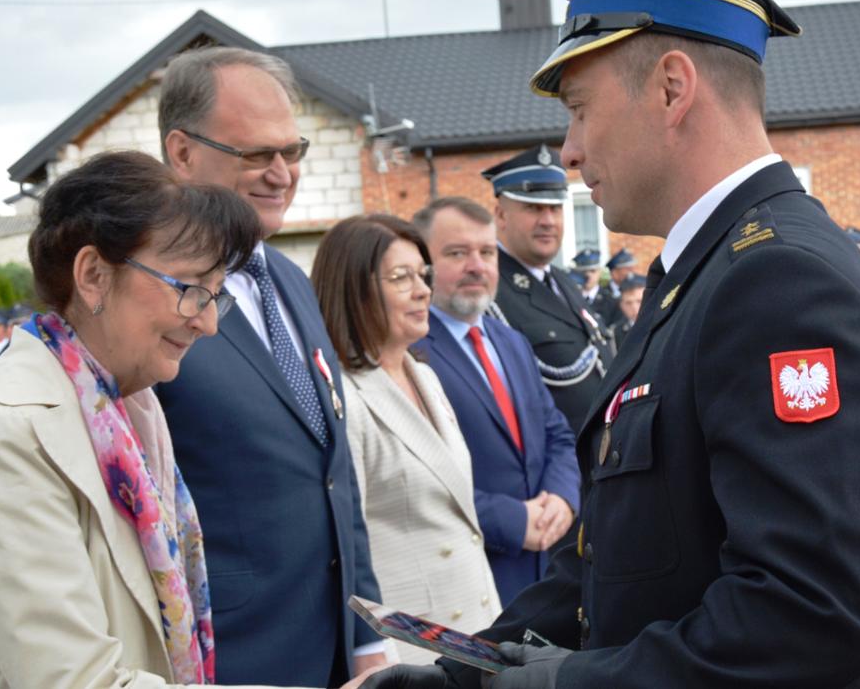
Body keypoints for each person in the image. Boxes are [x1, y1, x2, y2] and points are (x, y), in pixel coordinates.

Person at [367, 0, 860, 689]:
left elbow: (813, 612)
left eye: (580, 108)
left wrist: (567, 685)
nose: (568, 150)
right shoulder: (704, 274)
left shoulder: (780, 282)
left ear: (671, 88)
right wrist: (461, 675)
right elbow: (610, 565)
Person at [0, 149, 363, 687]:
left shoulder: (127, 412)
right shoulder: (11, 439)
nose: (207, 324)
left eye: (215, 297)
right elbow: (78, 680)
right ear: (93, 275)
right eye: (189, 289)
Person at [151, 45, 386, 686]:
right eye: (256, 154)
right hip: (229, 659)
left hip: (334, 651)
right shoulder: (146, 292)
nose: (281, 174)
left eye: (292, 151)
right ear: (181, 152)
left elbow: (334, 473)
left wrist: (367, 632)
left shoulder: (288, 279)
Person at [313, 214, 502, 666]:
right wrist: (376, 654)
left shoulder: (426, 377)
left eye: (423, 274)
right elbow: (346, 545)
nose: (422, 290)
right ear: (353, 289)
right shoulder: (344, 394)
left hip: (475, 625)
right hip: (412, 647)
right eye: (401, 278)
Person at [410, 197, 581, 605]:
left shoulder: (511, 341)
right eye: (457, 253)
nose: (477, 266)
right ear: (423, 263)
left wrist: (562, 498)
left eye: (487, 252)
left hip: (543, 570)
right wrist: (514, 521)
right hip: (466, 584)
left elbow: (556, 433)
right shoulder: (410, 352)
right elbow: (416, 482)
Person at [483, 147, 614, 431]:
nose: (548, 221)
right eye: (533, 208)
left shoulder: (564, 282)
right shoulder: (488, 292)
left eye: (555, 208)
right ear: (501, 215)